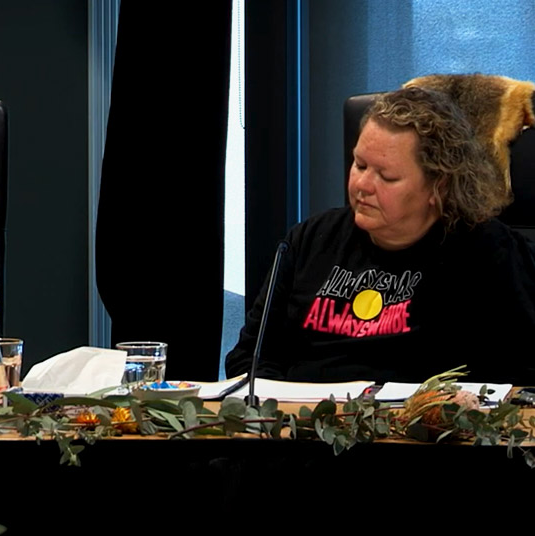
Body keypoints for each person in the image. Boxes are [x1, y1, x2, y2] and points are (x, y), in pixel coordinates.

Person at [226, 86, 535, 384]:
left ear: (438, 186)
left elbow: (520, 374)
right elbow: (248, 361)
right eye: (359, 165)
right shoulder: (308, 240)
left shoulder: (487, 251)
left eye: (386, 176)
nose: (363, 185)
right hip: (306, 427)